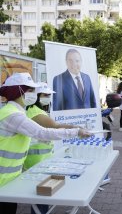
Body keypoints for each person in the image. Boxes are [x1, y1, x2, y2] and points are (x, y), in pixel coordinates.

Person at [0, 72, 91, 214]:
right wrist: (75, 132)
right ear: (18, 91)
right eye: (30, 90)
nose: (34, 94)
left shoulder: (16, 112)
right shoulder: (13, 115)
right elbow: (43, 132)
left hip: (9, 180)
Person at [24, 82, 80, 214]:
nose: (48, 97)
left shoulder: (39, 110)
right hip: (36, 160)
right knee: (41, 195)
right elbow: (55, 126)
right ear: (37, 96)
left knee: (43, 194)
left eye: (49, 95)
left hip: (42, 158)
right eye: (45, 95)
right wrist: (76, 129)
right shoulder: (34, 111)